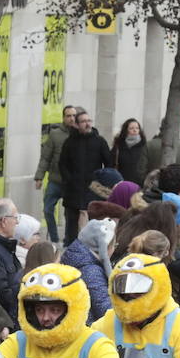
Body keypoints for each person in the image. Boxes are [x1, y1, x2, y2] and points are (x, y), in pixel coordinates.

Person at [57, 108, 112, 244]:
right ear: (76, 124)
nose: (87, 124)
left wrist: (101, 183)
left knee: (94, 220)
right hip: (73, 189)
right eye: (83, 122)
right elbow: (62, 164)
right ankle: (71, 247)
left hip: (94, 188)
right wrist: (69, 180)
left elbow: (109, 164)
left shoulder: (100, 141)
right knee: (72, 222)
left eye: (89, 121)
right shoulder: (69, 142)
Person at [34, 105, 75, 241]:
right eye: (68, 116)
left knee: (70, 213)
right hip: (55, 180)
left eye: (74, 116)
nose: (71, 118)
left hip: (71, 183)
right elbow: (46, 157)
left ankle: (68, 239)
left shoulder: (79, 134)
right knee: (47, 209)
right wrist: (39, 177)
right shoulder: (55, 134)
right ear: (63, 118)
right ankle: (54, 237)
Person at [62, 219, 115, 322]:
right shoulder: (91, 272)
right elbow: (105, 310)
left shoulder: (74, 256)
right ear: (104, 248)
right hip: (91, 329)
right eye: (114, 245)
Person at [110, 118, 147, 184]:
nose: (135, 130)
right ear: (126, 130)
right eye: (131, 128)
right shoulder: (118, 146)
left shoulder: (144, 146)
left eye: (137, 128)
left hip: (139, 184)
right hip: (121, 183)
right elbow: (111, 164)